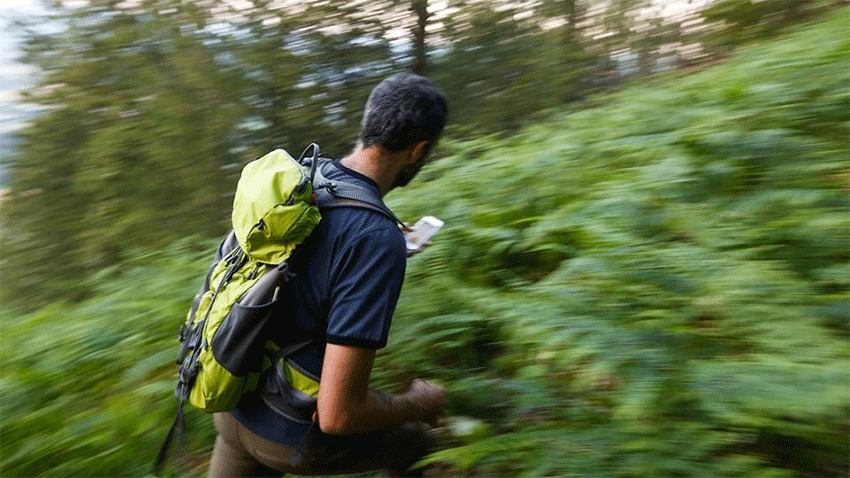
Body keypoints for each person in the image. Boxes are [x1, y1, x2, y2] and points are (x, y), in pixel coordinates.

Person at [207, 73, 449, 477]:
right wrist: (418, 403)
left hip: (232, 405)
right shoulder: (375, 239)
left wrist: (380, 243)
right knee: (415, 442)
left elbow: (312, 257)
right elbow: (338, 415)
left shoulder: (304, 178)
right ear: (418, 151)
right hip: (289, 436)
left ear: (368, 123)